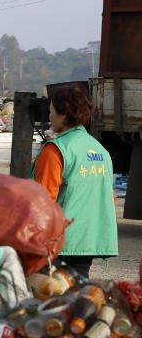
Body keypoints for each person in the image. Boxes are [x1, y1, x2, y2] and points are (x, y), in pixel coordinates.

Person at [32, 84, 118, 278]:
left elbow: (43, 201)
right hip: (88, 241)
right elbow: (109, 199)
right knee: (76, 298)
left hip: (60, 243)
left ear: (63, 114)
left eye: (52, 111)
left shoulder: (56, 150)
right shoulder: (101, 151)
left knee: (48, 298)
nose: (49, 116)